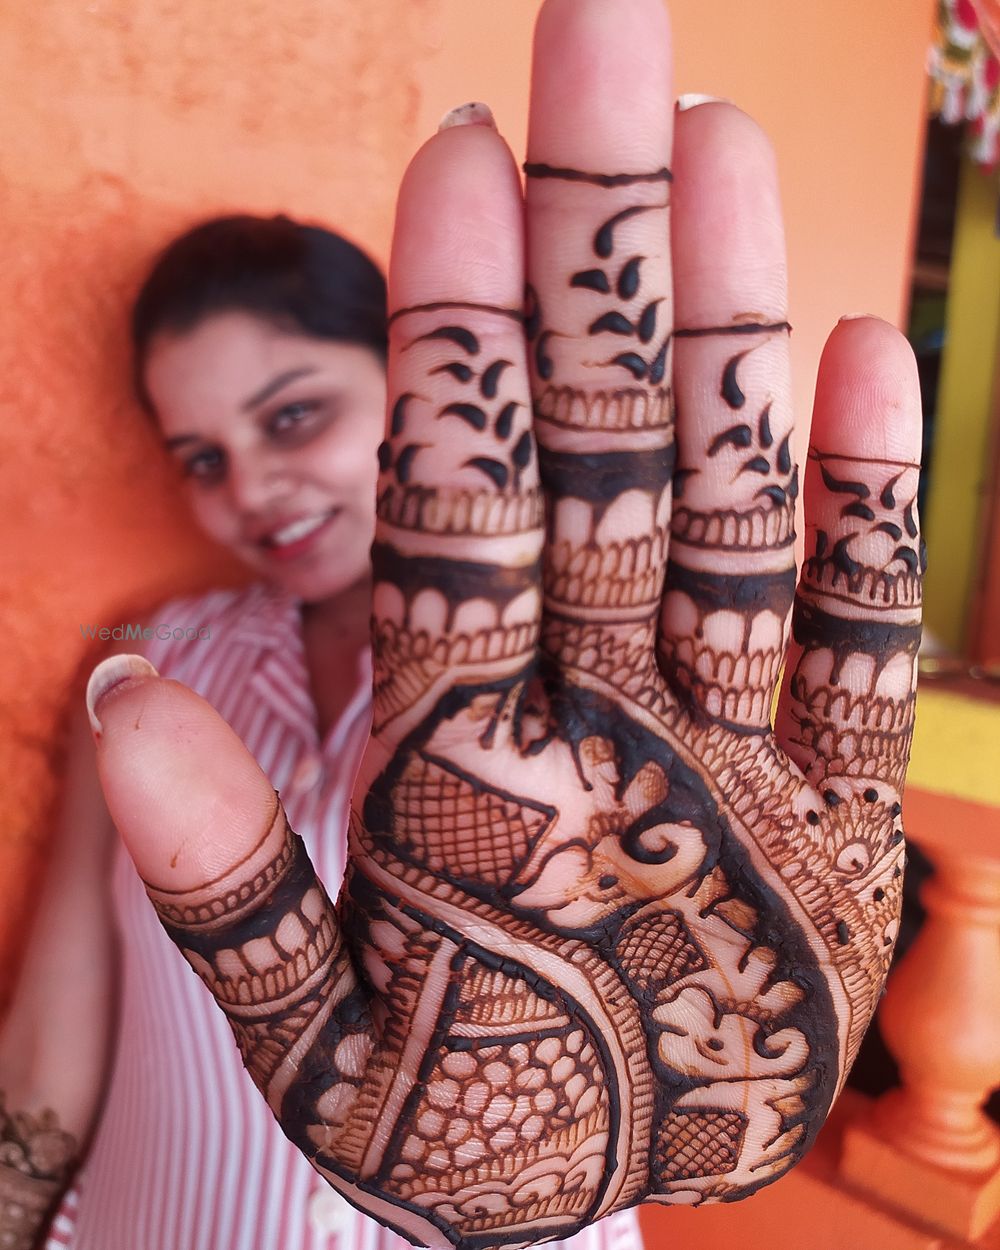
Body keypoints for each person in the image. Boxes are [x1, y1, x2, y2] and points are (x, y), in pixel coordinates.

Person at [3, 0, 924, 1246]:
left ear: (414, 381)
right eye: (200, 456)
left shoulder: (614, 662)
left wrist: (721, 1069)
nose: (251, 487)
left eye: (289, 416)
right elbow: (65, 995)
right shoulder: (156, 658)